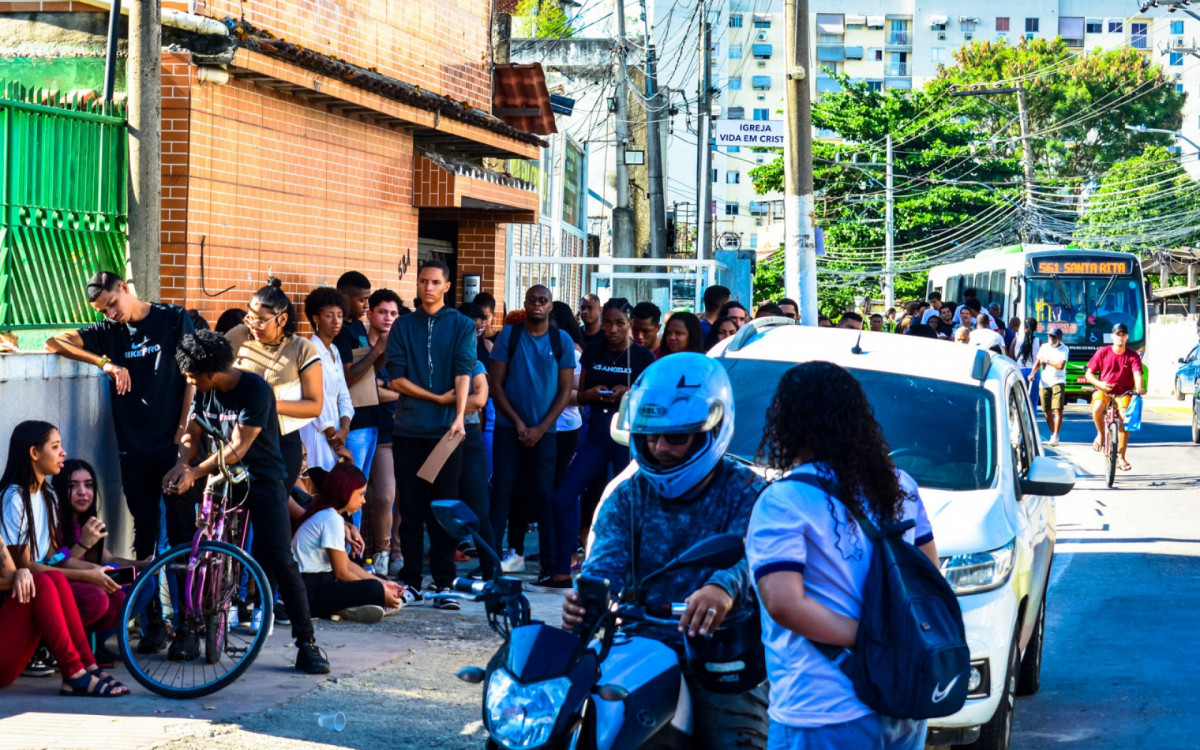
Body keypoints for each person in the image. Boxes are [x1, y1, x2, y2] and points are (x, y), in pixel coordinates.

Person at [561, 354, 769, 749]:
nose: (660, 447)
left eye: (676, 437)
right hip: (638, 649)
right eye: (650, 435)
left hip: (724, 657)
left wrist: (722, 589)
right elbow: (605, 564)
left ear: (713, 430)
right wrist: (587, 598)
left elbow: (757, 556)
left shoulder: (748, 492)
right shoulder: (627, 497)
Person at [747, 361, 937, 750]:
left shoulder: (784, 501)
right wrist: (892, 639)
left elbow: (784, 604)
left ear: (787, 423)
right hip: (899, 698)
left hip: (819, 709)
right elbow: (930, 576)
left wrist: (868, 638)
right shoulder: (900, 485)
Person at [44, 272, 195, 652]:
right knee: (145, 535)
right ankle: (153, 625)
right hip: (134, 450)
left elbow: (192, 377)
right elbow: (53, 341)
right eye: (103, 310)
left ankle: (189, 628)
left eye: (113, 303)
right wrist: (105, 363)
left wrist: (183, 431)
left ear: (125, 288)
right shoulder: (109, 332)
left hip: (173, 446)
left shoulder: (173, 318)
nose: (112, 313)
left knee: (181, 534)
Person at [165, 330, 330, 674]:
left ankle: (307, 644)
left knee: (280, 557)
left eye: (193, 375)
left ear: (211, 372)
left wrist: (195, 472)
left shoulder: (255, 390)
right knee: (176, 500)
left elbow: (239, 448)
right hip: (218, 477)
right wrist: (182, 466)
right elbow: (192, 434)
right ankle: (187, 626)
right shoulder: (205, 392)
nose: (188, 380)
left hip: (261, 479)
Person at [383, 259, 476, 609]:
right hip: (409, 428)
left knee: (445, 508)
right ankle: (411, 579)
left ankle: (444, 581)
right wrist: (436, 398)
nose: (428, 288)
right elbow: (396, 378)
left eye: (436, 282)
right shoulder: (404, 325)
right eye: (423, 281)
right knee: (410, 507)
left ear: (447, 286)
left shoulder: (462, 324)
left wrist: (458, 417)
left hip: (447, 432)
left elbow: (464, 368)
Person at [551, 299, 655, 577]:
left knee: (628, 503)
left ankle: (627, 572)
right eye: (608, 323)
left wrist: (628, 394)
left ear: (629, 324)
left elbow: (651, 401)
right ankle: (562, 570)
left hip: (626, 436)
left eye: (619, 323)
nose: (612, 329)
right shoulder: (593, 351)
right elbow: (580, 395)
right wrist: (592, 394)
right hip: (596, 432)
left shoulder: (643, 357)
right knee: (563, 497)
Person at [489, 285, 576, 586]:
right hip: (507, 428)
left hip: (546, 431)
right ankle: (490, 563)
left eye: (543, 300)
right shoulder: (509, 336)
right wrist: (518, 423)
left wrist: (540, 427)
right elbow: (496, 385)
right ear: (524, 303)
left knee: (544, 495)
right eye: (532, 300)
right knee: (502, 491)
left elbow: (565, 391)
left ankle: (550, 566)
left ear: (551, 306)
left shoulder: (561, 339)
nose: (537, 304)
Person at [1, 507, 129, 695]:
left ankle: (87, 665)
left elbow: (53, 560)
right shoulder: (15, 500)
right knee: (43, 583)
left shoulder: (46, 500)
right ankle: (73, 672)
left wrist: (21, 572)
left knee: (54, 578)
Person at [225, 280, 323, 490]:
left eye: (262, 320)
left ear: (282, 319)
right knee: (234, 508)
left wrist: (268, 403)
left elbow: (315, 405)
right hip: (236, 435)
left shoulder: (302, 348)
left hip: (280, 442)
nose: (253, 325)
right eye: (250, 317)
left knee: (269, 507)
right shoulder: (237, 336)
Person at [291, 464, 402, 623]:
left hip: (321, 582)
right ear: (345, 492)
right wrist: (380, 590)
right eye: (360, 494)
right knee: (373, 589)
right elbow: (342, 572)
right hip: (309, 591)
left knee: (377, 580)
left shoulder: (330, 515)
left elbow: (347, 564)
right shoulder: (331, 519)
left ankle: (356, 605)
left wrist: (383, 582)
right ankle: (351, 606)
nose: (364, 500)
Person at [363, 289, 403, 577]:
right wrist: (402, 394)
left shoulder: (401, 345)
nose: (387, 317)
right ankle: (382, 551)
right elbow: (367, 390)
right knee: (384, 495)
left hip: (404, 430)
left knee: (402, 496)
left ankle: (397, 551)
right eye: (382, 312)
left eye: (393, 313)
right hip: (371, 429)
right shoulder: (361, 343)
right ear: (370, 313)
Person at [333, 272, 383, 479]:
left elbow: (369, 370)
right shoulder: (341, 331)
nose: (366, 305)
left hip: (371, 417)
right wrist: (377, 350)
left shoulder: (357, 325)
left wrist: (385, 351)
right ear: (345, 299)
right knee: (352, 487)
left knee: (361, 487)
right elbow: (348, 378)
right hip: (354, 423)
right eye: (362, 300)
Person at [301, 287, 355, 473]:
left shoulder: (335, 351)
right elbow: (314, 399)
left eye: (340, 315)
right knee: (322, 489)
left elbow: (344, 395)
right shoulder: (309, 350)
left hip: (337, 433)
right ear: (316, 319)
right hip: (317, 432)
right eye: (329, 316)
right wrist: (334, 438)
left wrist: (345, 427)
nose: (336, 321)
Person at [1085, 323, 1145, 472]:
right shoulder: (1103, 352)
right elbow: (1088, 374)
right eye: (1118, 334)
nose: (1120, 337)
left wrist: (1139, 388)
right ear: (1112, 336)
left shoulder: (1133, 356)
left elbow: (1137, 374)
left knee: (1124, 417)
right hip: (1104, 390)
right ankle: (1100, 434)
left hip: (1124, 393)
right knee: (1098, 407)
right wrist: (1101, 384)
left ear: (1127, 337)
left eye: (1123, 335)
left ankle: (1121, 456)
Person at [1031, 328, 1068, 447]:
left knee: (1057, 409)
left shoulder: (1064, 349)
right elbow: (1038, 361)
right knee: (1047, 411)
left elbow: (1060, 366)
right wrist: (1032, 373)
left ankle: (1056, 434)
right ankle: (1053, 434)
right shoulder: (1044, 347)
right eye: (1050, 336)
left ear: (1060, 338)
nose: (1051, 339)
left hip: (1058, 380)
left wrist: (1047, 360)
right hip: (1045, 381)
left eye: (1054, 336)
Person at [1013, 317, 1043, 411]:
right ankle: (1033, 422)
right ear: (1035, 328)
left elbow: (1010, 357)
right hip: (1034, 373)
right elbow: (1042, 359)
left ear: (1024, 328)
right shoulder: (1039, 341)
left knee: (1018, 401)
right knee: (1033, 403)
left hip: (1019, 372)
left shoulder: (1016, 340)